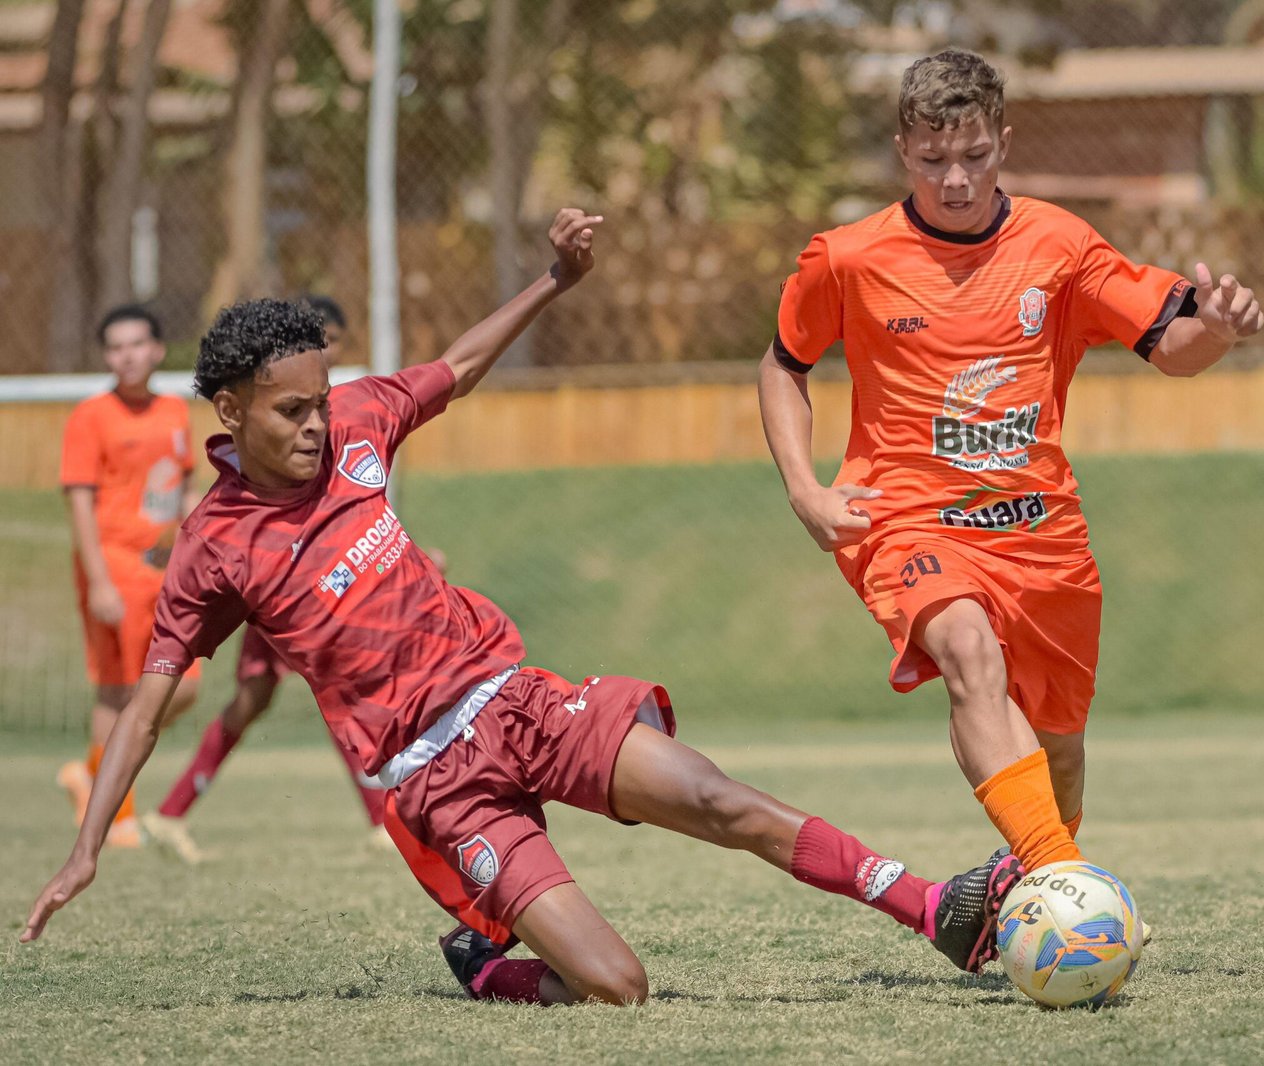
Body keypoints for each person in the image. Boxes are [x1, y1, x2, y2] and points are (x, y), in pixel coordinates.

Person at [22, 210, 1022, 1007]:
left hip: (516, 702)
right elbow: (149, 706)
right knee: (615, 986)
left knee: (723, 800)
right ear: (231, 411)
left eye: (323, 401)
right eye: (292, 411)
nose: (319, 425)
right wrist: (85, 846)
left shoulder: (361, 420)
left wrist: (556, 278)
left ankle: (935, 906)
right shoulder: (213, 546)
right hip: (439, 785)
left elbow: (454, 368)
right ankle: (491, 964)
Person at [756, 51, 1264, 915]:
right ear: (901, 152)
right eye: (932, 160)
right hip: (906, 518)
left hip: (1041, 533)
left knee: (1060, 748)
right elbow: (783, 364)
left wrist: (1216, 331)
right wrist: (806, 489)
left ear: (1004, 143)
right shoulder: (846, 257)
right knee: (966, 654)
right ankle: (1069, 889)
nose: (955, 179)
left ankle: (1033, 875)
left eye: (976, 155)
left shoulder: (1061, 246)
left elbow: (1171, 351)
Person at [141, 296, 403, 864]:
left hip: (316, 581)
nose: (325, 351)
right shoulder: (275, 424)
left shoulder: (335, 411)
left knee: (256, 699)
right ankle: (381, 819)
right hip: (284, 587)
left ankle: (172, 811)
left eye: (333, 340)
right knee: (332, 685)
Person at [57, 306, 204, 848]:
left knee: (181, 688)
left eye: (137, 343)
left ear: (158, 349)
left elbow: (184, 489)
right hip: (115, 568)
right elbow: (78, 502)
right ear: (106, 357)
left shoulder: (172, 411)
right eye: (116, 347)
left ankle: (91, 774)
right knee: (118, 692)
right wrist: (98, 580)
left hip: (166, 572)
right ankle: (116, 815)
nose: (128, 355)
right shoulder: (91, 416)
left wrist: (198, 545)